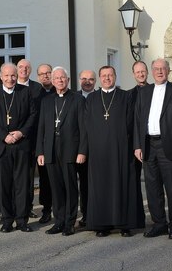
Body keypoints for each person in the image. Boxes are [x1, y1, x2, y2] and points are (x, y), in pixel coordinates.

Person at [85, 65, 145, 237]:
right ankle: (102, 225)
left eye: (110, 75)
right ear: (99, 78)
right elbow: (87, 125)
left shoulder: (125, 97)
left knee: (124, 185)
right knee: (101, 187)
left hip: (121, 150)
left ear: (115, 77)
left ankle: (125, 224)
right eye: (104, 76)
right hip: (99, 152)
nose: (107, 78)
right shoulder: (92, 99)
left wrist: (135, 146)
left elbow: (132, 123)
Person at [134, 58, 172, 240]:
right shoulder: (144, 92)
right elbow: (138, 121)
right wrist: (137, 146)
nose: (159, 72)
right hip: (148, 145)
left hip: (170, 146)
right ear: (152, 71)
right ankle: (159, 223)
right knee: (152, 187)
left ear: (168, 71)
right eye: (156, 69)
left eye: (162, 69)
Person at [0, 63, 36, 233]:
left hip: (21, 145)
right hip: (1, 146)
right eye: (6, 76)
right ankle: (7, 220)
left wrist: (20, 133)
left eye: (13, 75)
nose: (10, 79)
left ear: (17, 76)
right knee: (4, 185)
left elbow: (32, 115)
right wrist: (4, 136)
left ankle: (22, 220)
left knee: (22, 185)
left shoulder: (25, 92)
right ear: (0, 77)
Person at [37, 67, 87, 236]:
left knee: (70, 188)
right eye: (56, 78)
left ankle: (69, 222)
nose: (59, 80)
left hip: (70, 150)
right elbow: (41, 128)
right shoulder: (47, 101)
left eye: (62, 78)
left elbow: (83, 128)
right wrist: (40, 152)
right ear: (52, 80)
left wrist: (82, 151)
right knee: (56, 188)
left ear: (68, 80)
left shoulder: (77, 99)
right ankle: (58, 221)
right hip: (50, 150)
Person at [16, 59, 42, 219]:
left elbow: (38, 115)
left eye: (27, 67)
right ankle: (14, 207)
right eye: (21, 67)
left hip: (31, 138)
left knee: (28, 176)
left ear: (30, 70)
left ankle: (28, 206)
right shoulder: (11, 87)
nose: (24, 70)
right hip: (12, 139)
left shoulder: (37, 88)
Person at [35, 63, 55, 224]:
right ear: (38, 77)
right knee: (45, 179)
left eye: (48, 73)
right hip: (42, 142)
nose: (45, 76)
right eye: (42, 74)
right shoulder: (35, 93)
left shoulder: (61, 91)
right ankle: (46, 209)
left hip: (61, 143)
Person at [76, 69, 96, 227]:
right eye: (84, 79)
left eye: (90, 79)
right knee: (83, 183)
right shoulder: (73, 97)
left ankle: (97, 212)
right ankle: (85, 213)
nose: (87, 82)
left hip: (97, 148)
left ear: (95, 81)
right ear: (79, 80)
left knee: (96, 182)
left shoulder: (100, 97)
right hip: (78, 148)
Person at [129, 61, 149, 189]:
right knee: (134, 177)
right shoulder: (128, 95)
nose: (141, 74)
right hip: (133, 141)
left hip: (151, 140)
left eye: (143, 71)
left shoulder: (155, 91)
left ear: (147, 72)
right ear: (133, 75)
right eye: (138, 72)